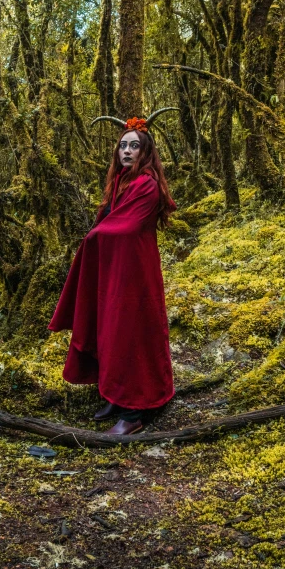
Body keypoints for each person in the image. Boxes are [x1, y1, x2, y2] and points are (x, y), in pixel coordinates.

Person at [47, 109, 178, 435]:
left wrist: (94, 237)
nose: (127, 151)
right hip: (114, 272)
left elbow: (126, 227)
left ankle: (135, 412)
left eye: (134, 146)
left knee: (131, 332)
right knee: (110, 330)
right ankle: (116, 397)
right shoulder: (120, 182)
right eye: (123, 146)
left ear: (146, 151)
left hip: (135, 275)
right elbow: (109, 222)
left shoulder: (147, 185)